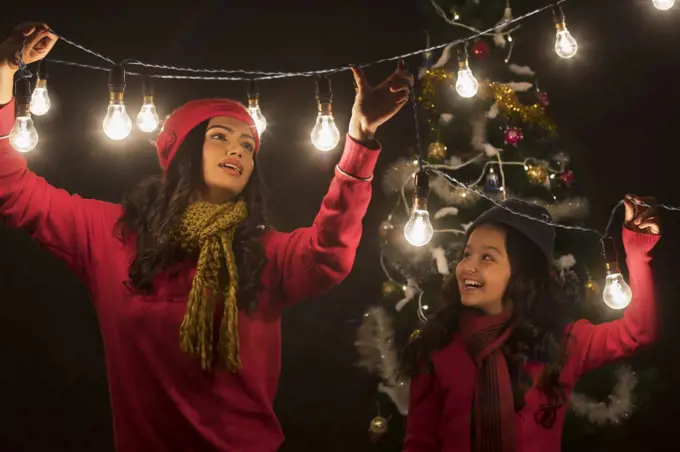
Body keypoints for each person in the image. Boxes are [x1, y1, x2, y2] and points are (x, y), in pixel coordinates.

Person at [0, 24, 414, 451]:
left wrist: (361, 138)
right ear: (183, 151)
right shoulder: (110, 235)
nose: (238, 150)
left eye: (248, 146)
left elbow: (329, 253)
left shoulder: (264, 253)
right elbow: (10, 188)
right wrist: (5, 68)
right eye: (220, 137)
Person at [401, 197, 660, 452]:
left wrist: (639, 254)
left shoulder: (562, 342)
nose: (468, 266)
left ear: (522, 272)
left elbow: (637, 333)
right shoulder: (437, 345)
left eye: (487, 258)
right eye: (466, 254)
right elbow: (419, 443)